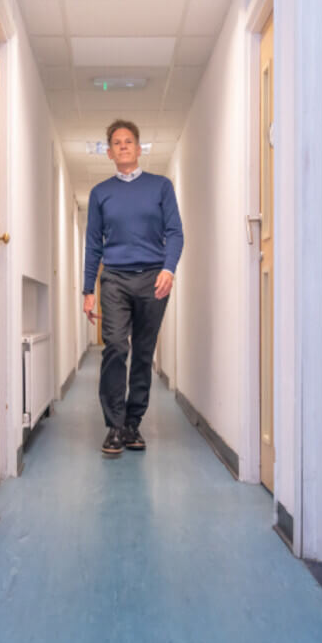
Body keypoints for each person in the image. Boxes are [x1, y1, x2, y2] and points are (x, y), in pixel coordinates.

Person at [82, 119, 184, 456]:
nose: (123, 146)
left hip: (153, 278)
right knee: (115, 346)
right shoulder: (100, 193)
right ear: (109, 153)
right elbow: (93, 244)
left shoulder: (161, 187)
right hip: (114, 278)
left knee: (143, 352)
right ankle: (113, 425)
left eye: (129, 141)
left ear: (139, 149)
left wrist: (169, 269)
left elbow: (176, 233)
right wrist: (88, 290)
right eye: (117, 142)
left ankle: (132, 424)